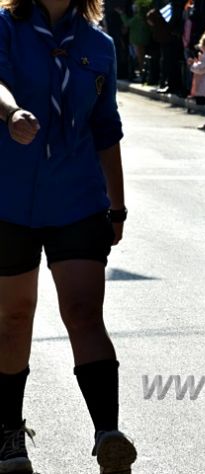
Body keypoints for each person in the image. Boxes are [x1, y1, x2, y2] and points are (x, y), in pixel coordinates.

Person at [0, 0, 137, 470]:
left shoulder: (99, 44)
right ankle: (8, 435)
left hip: (77, 198)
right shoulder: (6, 27)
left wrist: (116, 206)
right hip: (9, 198)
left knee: (83, 311)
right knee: (15, 317)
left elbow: (107, 127)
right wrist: (11, 111)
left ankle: (108, 434)